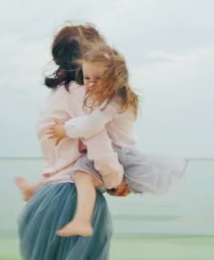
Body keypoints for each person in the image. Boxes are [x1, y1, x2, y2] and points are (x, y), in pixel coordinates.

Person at [39, 43, 188, 238]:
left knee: (81, 174)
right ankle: (43, 193)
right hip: (121, 152)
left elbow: (91, 125)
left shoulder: (112, 102)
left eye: (98, 79)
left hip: (119, 154)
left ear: (115, 80)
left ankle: (82, 221)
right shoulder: (118, 100)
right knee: (84, 175)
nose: (90, 84)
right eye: (87, 78)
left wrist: (64, 129)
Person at [16, 24, 130, 260]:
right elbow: (99, 148)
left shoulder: (56, 95)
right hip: (72, 202)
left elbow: (63, 159)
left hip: (43, 202)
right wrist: (116, 181)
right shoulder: (86, 95)